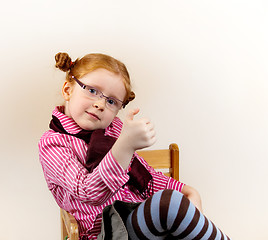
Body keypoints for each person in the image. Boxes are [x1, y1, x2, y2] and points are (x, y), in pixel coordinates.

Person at [38, 52, 230, 240]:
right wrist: (125, 146)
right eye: (92, 90)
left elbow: (147, 177)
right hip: (107, 232)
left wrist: (188, 191)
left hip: (140, 219)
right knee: (169, 206)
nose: (100, 104)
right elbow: (89, 192)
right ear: (67, 90)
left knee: (177, 206)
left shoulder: (114, 129)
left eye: (111, 101)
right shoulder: (53, 143)